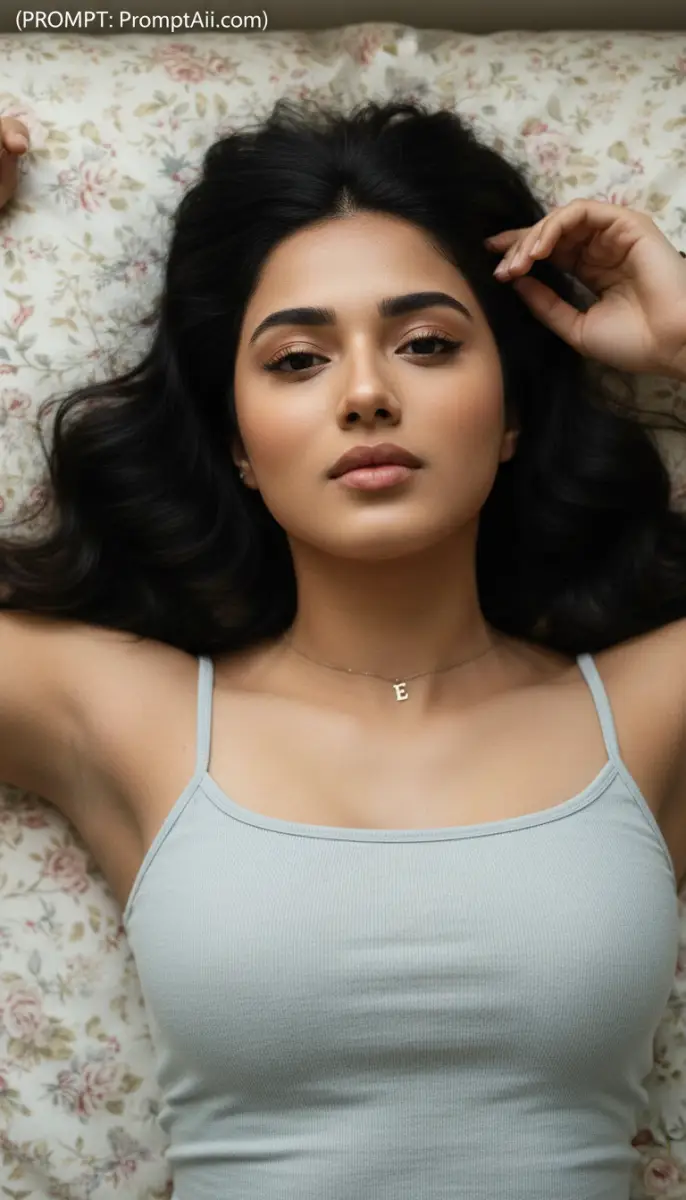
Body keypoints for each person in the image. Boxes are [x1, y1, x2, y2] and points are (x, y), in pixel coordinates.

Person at [1, 96, 686, 1198]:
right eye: (296, 360)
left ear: (508, 412)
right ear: (234, 441)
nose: (367, 394)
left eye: (424, 345)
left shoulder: (649, 711)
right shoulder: (131, 716)